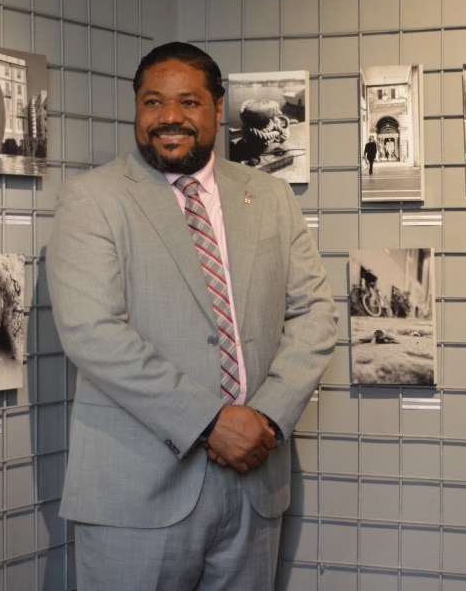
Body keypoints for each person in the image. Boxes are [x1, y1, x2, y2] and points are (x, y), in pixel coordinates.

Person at [46, 42, 337, 590]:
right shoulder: (93, 199)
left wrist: (266, 419)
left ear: (218, 109)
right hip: (136, 494)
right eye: (153, 102)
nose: (170, 117)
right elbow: (93, 334)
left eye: (189, 102)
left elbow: (316, 315)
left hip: (255, 481)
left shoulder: (270, 196)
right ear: (136, 108)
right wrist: (212, 421)